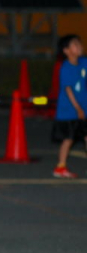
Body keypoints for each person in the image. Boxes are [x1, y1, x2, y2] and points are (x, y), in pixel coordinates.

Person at [52, 34, 86, 179]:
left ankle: (61, 167)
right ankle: (60, 167)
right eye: (74, 44)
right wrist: (78, 108)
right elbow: (68, 89)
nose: (79, 46)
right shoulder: (66, 68)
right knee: (68, 139)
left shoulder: (83, 62)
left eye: (79, 43)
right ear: (66, 50)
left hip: (83, 109)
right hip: (69, 111)